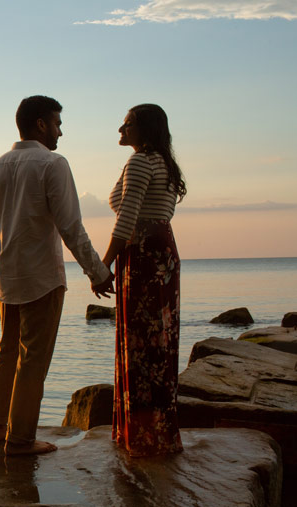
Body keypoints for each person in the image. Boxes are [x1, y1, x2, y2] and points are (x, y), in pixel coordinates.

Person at [0, 95, 113, 456]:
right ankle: (21, 439)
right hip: (41, 276)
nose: (60, 131)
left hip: (7, 276)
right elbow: (71, 225)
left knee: (7, 353)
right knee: (32, 360)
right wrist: (98, 272)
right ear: (40, 124)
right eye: (57, 123)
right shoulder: (52, 163)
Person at [100, 103, 187, 456]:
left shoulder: (140, 162)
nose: (120, 130)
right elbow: (129, 207)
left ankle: (141, 436)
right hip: (163, 251)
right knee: (160, 343)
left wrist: (103, 265)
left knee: (140, 344)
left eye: (128, 125)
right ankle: (158, 433)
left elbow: (126, 220)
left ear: (145, 129)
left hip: (142, 254)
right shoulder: (163, 163)